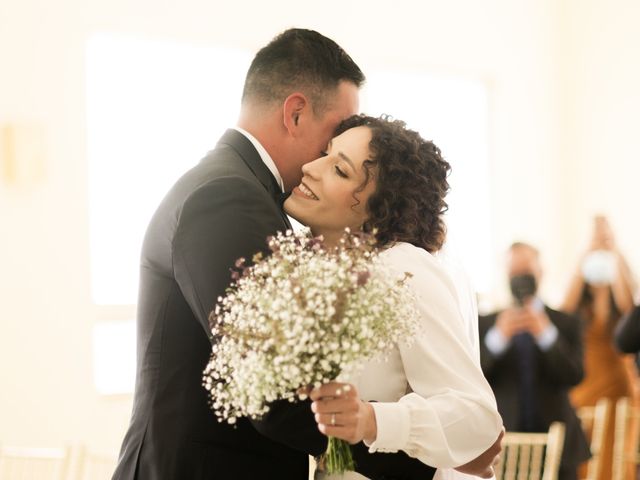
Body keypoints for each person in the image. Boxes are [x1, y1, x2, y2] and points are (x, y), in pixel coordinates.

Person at [111, 28, 366, 480]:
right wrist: (412, 453)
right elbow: (271, 393)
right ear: (296, 113)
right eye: (333, 138)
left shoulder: (231, 185)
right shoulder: (229, 197)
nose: (330, 156)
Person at [283, 114, 505, 480]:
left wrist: (371, 420)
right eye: (324, 154)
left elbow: (477, 418)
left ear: (380, 208)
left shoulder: (403, 270)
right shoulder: (321, 276)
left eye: (340, 170)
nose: (310, 167)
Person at [477, 242, 589, 480]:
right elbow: (474, 377)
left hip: (560, 444)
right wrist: (498, 339)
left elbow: (576, 375)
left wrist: (547, 335)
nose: (520, 279)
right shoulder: (485, 324)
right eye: (514, 273)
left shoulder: (566, 322)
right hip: (504, 446)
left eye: (526, 271)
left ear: (540, 272)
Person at [562, 216, 638, 480]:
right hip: (586, 383)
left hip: (617, 383)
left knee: (616, 452)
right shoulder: (579, 296)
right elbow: (564, 314)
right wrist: (586, 253)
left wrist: (615, 252)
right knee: (584, 451)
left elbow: (630, 310)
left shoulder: (620, 287)